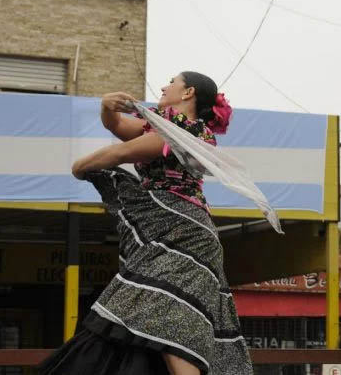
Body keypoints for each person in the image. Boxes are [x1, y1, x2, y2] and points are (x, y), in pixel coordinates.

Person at [39, 72, 252, 375]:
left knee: (174, 315)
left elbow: (122, 152)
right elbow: (117, 126)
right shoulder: (162, 125)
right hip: (165, 226)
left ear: (188, 92)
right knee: (163, 312)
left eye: (172, 82)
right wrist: (107, 106)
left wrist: (79, 166)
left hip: (184, 233)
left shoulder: (190, 130)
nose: (164, 86)